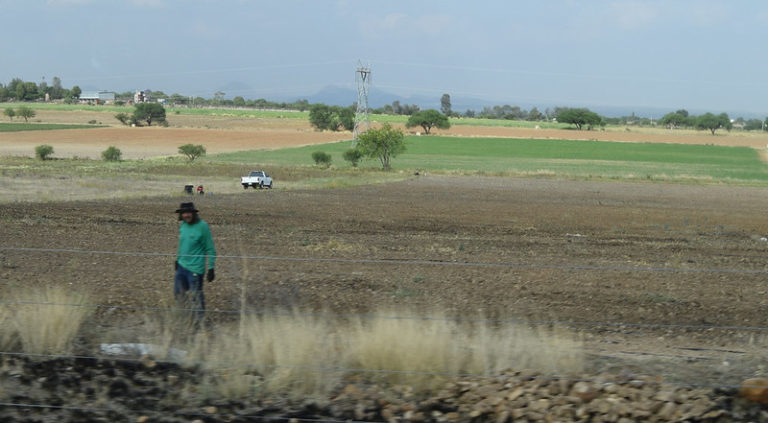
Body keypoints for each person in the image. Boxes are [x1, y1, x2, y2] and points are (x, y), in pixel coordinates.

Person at [174, 202, 216, 326]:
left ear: (193, 213)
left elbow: (210, 249)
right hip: (181, 267)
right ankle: (185, 317)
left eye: (188, 212)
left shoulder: (202, 226)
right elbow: (182, 244)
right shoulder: (183, 225)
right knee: (178, 294)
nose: (186, 215)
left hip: (195, 270)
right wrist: (177, 259)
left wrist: (211, 268)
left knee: (196, 296)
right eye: (184, 213)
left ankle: (199, 321)